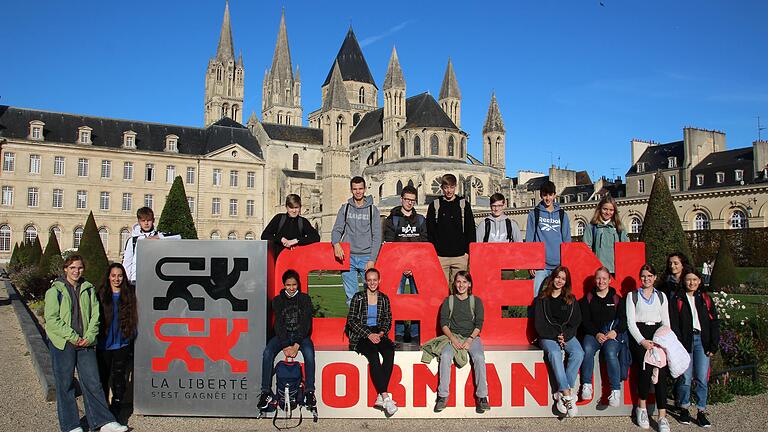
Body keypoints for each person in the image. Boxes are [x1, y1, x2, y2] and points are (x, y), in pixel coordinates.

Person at [44, 255, 128, 432]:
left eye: (80, 268)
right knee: (65, 384)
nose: (76, 271)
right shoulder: (55, 291)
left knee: (93, 382)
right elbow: (51, 319)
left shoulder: (88, 289)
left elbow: (95, 315)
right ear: (65, 269)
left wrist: (90, 336)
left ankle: (103, 421)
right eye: (72, 267)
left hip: (86, 343)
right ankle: (71, 425)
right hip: (64, 342)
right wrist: (73, 336)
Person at [257, 270, 317, 412]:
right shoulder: (277, 300)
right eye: (288, 285)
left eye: (294, 284)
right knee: (267, 353)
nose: (291, 287)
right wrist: (285, 345)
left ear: (298, 284)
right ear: (284, 285)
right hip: (282, 336)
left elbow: (306, 323)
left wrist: (296, 345)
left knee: (309, 353)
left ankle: (309, 392)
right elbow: (278, 324)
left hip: (300, 336)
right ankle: (265, 392)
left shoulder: (305, 299)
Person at [432, 271, 489, 413]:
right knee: (445, 356)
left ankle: (482, 397)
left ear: (469, 284)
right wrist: (452, 338)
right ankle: (442, 396)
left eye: (464, 282)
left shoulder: (476, 301)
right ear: (454, 283)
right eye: (458, 281)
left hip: (472, 337)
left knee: (479, 357)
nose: (461, 285)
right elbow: (443, 323)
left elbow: (479, 324)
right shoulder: (448, 301)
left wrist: (470, 340)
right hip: (453, 336)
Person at [670, 269, 720, 427]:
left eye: (694, 280)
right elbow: (674, 323)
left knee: (701, 378)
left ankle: (701, 411)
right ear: (684, 281)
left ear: (700, 281)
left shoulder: (705, 299)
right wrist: (678, 344)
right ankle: (684, 408)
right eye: (688, 280)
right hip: (685, 341)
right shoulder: (677, 299)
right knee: (685, 377)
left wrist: (713, 344)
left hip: (702, 341)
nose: (691, 283)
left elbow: (714, 323)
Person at [344, 268, 397, 416]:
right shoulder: (358, 297)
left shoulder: (384, 298)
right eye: (369, 280)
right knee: (373, 355)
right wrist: (368, 334)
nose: (372, 283)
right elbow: (352, 321)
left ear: (379, 281)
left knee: (388, 351)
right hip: (361, 335)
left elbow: (388, 319)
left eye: (375, 280)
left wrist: (380, 333)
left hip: (378, 333)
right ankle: (385, 396)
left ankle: (381, 396)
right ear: (365, 281)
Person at [626, 264, 672, 432]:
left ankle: (662, 416)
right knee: (645, 371)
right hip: (640, 336)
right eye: (644, 276)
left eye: (650, 276)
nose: (646, 279)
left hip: (657, 335)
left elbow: (666, 322)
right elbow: (631, 323)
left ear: (655, 277)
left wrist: (660, 341)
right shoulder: (632, 296)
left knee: (661, 372)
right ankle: (642, 408)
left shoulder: (661, 297)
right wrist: (642, 341)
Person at [534, 265, 583, 417]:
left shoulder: (570, 299)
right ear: (552, 277)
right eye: (557, 277)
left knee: (578, 352)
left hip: (566, 335)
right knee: (554, 353)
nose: (559, 281)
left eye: (563, 278)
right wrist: (556, 336)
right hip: (547, 337)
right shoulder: (542, 299)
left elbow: (576, 321)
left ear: (566, 281)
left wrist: (566, 335)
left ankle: (560, 393)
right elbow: (539, 325)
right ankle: (568, 394)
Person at [578, 266, 628, 406]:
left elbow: (624, 321)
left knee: (611, 352)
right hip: (593, 334)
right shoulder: (587, 299)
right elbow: (585, 321)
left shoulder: (617, 299)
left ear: (610, 280)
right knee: (587, 349)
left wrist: (615, 332)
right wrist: (596, 333)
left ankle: (615, 391)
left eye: (604, 278)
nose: (601, 281)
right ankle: (586, 385)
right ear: (595, 280)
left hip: (611, 335)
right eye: (598, 278)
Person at [383, 185, 427, 342]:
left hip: (417, 267)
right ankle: (399, 332)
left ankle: (416, 333)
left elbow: (424, 244)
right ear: (401, 199)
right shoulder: (392, 220)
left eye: (412, 200)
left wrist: (413, 265)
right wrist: (402, 265)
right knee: (397, 299)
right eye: (407, 199)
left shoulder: (421, 220)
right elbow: (389, 244)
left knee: (417, 298)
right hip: (398, 267)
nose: (409, 203)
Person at [332, 176, 382, 305]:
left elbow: (377, 236)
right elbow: (337, 229)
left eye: (360, 188)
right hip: (348, 258)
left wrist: (372, 259)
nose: (358, 191)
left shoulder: (373, 210)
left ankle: (369, 325)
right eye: (355, 189)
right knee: (351, 298)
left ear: (365, 189)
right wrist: (336, 243)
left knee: (371, 297)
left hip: (366, 258)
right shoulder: (345, 208)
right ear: (351, 190)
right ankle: (356, 324)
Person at [96, 263, 137, 420]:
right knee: (103, 376)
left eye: (119, 276)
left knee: (119, 376)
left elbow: (134, 316)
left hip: (122, 342)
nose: (116, 279)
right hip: (104, 343)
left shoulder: (129, 294)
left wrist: (132, 335)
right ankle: (103, 410)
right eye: (113, 276)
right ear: (108, 277)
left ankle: (116, 407)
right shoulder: (100, 294)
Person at [427, 174, 476, 289]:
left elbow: (470, 230)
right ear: (442, 187)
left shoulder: (463, 205)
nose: (449, 191)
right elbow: (430, 231)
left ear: (456, 187)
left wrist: (467, 253)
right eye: (446, 187)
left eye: (451, 187)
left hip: (460, 256)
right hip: (440, 257)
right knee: (440, 289)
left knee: (459, 290)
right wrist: (435, 252)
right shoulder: (435, 205)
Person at [525, 181, 571, 297]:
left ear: (555, 195)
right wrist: (530, 263)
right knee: (535, 297)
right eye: (545, 195)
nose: (548, 198)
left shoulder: (562, 214)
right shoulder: (534, 214)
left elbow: (567, 241)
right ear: (541, 195)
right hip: (540, 265)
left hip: (558, 265)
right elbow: (529, 240)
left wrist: (566, 263)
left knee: (559, 297)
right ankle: (534, 316)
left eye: (550, 195)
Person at [122, 206, 181, 286]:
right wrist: (126, 283)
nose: (146, 223)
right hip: (135, 280)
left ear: (153, 220)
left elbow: (178, 237)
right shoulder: (132, 240)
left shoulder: (159, 236)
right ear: (139, 222)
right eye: (143, 221)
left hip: (155, 279)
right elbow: (127, 263)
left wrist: (157, 237)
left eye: (148, 220)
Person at [582, 195, 629, 274]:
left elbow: (626, 247)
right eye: (605, 209)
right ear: (600, 209)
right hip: (598, 269)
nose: (608, 212)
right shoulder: (592, 227)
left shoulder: (619, 226)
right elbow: (587, 249)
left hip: (615, 269)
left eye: (611, 210)